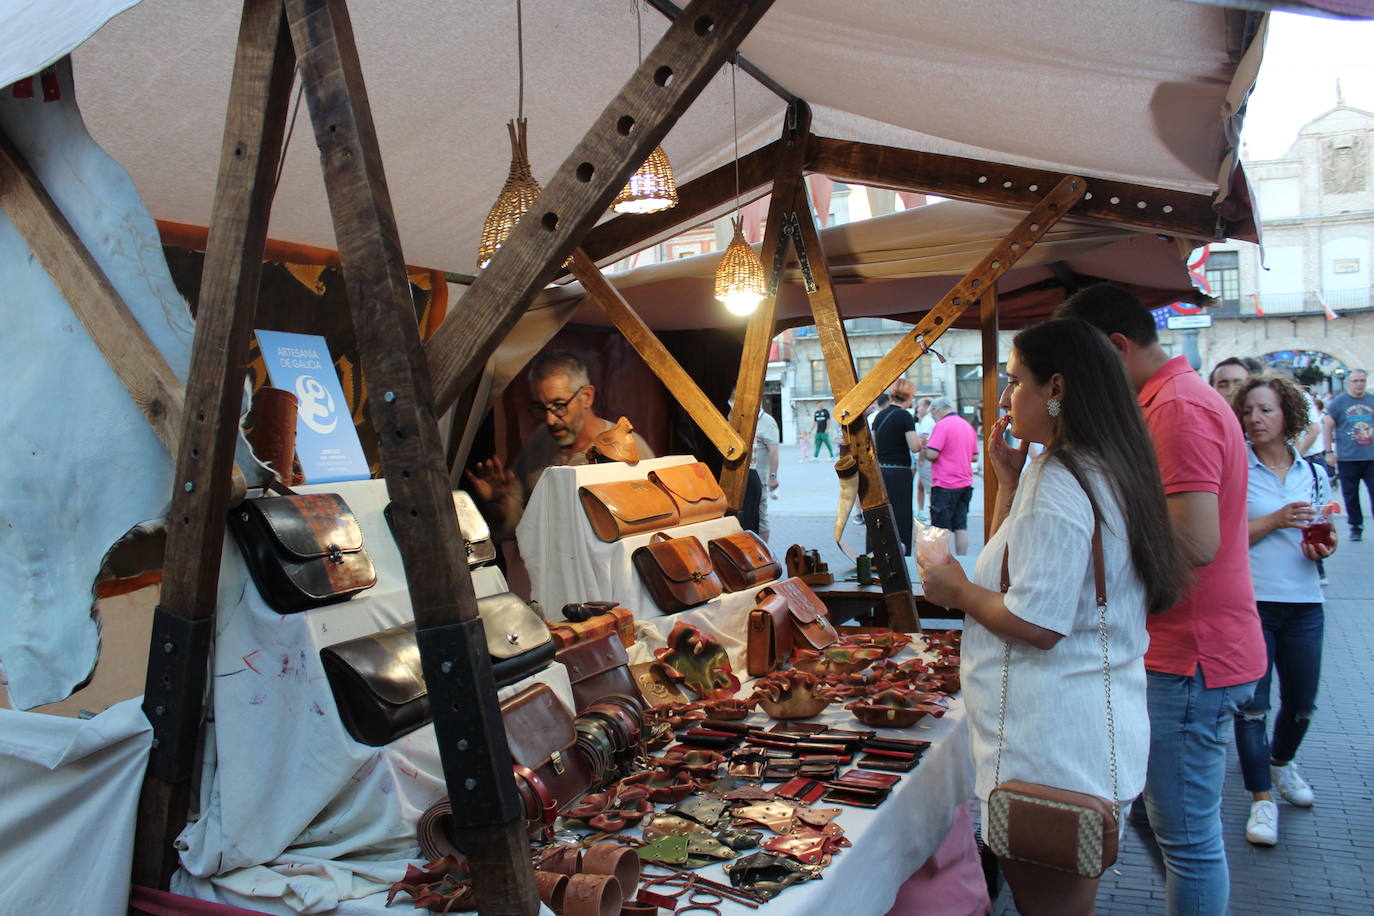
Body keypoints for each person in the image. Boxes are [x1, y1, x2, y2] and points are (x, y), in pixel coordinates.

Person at [918, 318, 1188, 916]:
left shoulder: (1065, 476)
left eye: (1017, 382)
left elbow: (1038, 623)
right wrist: (1009, 483)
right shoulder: (1099, 464)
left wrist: (956, 590)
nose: (1009, 397)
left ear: (1056, 388)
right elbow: (1030, 569)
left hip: (1048, 747)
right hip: (1077, 736)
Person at [1059, 284, 1265, 916]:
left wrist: (1097, 547)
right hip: (1181, 651)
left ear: (1116, 349)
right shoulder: (1165, 401)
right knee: (1162, 820)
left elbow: (1196, 541)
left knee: (1188, 839)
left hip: (1192, 655)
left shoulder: (1176, 406)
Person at [1230, 375, 1336, 848]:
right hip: (1252, 603)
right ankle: (1261, 799)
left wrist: (1324, 546)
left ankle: (1281, 762)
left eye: (1265, 410)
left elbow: (1322, 533)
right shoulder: (1237, 469)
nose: (1255, 418)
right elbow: (1223, 539)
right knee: (1253, 707)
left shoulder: (1313, 474)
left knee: (1302, 704)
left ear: (1288, 415)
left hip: (1305, 602)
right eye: (1249, 410)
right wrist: (1274, 520)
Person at [466, 351, 653, 540]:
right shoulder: (540, 442)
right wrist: (500, 504)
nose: (550, 419)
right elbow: (523, 518)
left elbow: (652, 523)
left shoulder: (628, 447)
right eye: (541, 407)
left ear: (586, 396)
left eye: (559, 405)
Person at [1322, 368, 1373, 542]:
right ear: (1348, 382)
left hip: (1370, 456)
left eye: (1362, 381)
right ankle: (1356, 526)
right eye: (1355, 381)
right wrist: (1329, 451)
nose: (1359, 384)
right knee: (1350, 495)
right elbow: (1327, 427)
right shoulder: (1339, 403)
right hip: (1347, 457)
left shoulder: (1372, 400)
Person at [923, 397, 979, 555]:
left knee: (941, 528)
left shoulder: (942, 426)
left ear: (936, 410)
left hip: (944, 484)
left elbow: (932, 454)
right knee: (961, 526)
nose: (933, 417)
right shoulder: (966, 425)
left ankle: (944, 564)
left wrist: (925, 447)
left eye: (932, 414)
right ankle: (963, 560)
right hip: (965, 483)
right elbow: (974, 456)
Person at [872, 380, 921, 555]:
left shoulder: (879, 415)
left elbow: (874, 445)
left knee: (881, 514)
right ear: (908, 396)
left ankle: (879, 553)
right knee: (901, 514)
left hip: (881, 471)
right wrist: (921, 441)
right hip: (899, 472)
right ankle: (901, 554)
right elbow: (914, 446)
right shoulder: (905, 416)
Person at [752, 406, 780, 539]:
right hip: (744, 480)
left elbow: (774, 451)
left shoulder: (766, 421)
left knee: (761, 518)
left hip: (760, 479)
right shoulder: (743, 419)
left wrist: (773, 477)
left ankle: (764, 555)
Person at [914, 397, 936, 522]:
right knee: (921, 486)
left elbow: (923, 441)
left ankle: (932, 515)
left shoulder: (927, 421)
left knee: (929, 488)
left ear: (927, 407)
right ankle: (921, 511)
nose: (918, 408)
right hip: (926, 459)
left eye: (920, 406)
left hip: (925, 459)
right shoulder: (927, 420)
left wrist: (921, 459)